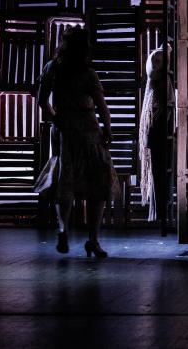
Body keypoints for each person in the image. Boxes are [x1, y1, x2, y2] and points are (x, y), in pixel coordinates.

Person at [34, 26, 119, 257]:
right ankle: (93, 239)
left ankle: (63, 228)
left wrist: (57, 120)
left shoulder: (52, 68)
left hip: (64, 131)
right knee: (98, 185)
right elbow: (101, 106)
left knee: (65, 181)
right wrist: (108, 129)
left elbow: (42, 102)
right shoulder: (88, 73)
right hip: (89, 131)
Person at [139, 44, 175, 234]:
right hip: (157, 127)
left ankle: (162, 210)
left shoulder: (162, 80)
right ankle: (160, 211)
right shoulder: (158, 76)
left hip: (160, 127)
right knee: (157, 170)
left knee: (161, 170)